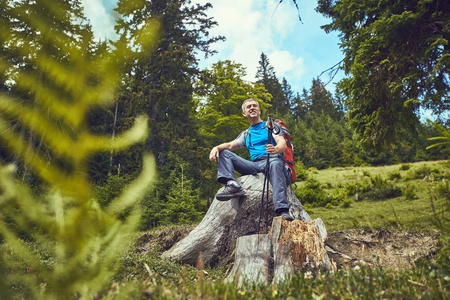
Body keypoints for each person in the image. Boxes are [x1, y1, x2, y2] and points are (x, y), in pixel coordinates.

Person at [209, 98, 294, 221]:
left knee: (275, 163)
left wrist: (275, 149)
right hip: (255, 165)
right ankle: (232, 185)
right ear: (244, 113)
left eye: (255, 106)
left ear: (259, 111)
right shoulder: (246, 133)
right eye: (248, 107)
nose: (252, 108)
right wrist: (216, 148)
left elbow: (282, 143)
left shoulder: (270, 126)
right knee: (225, 153)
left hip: (272, 159)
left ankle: (282, 210)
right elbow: (230, 146)